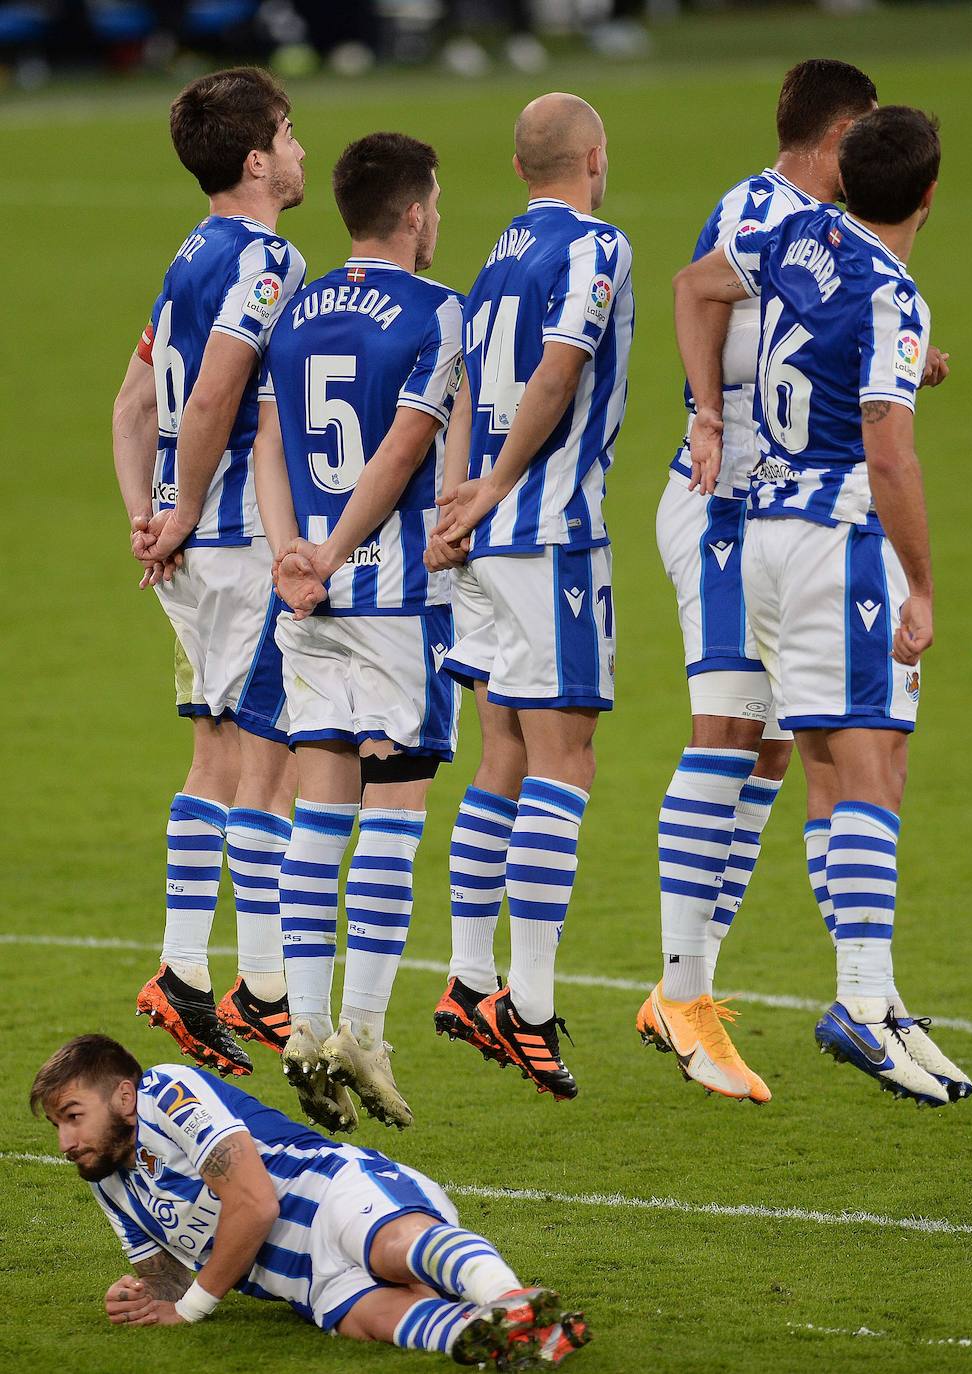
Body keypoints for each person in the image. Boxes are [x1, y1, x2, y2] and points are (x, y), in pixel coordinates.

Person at [672, 105, 972, 1105]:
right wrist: (921, 581)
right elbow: (889, 448)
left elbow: (701, 284)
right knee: (872, 759)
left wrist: (709, 412)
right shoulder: (895, 291)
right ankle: (860, 999)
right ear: (930, 195)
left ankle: (877, 1000)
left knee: (833, 763)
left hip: (761, 535)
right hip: (838, 544)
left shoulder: (802, 231)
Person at [643, 59, 878, 1104]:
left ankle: (686, 987)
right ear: (840, 133)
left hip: (770, 512)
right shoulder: (761, 207)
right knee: (728, 733)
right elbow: (694, 294)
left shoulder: (816, 225)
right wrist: (702, 412)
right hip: (725, 505)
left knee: (773, 750)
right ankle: (683, 996)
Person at [252, 133, 463, 1133]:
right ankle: (362, 1032)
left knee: (319, 804)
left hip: (302, 597)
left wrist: (294, 551)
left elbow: (268, 442)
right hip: (389, 595)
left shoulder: (293, 312)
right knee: (397, 809)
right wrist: (336, 551)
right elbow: (405, 447)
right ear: (416, 211)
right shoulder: (436, 311)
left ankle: (299, 1026)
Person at [428, 93, 634, 1102]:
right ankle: (533, 1003)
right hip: (549, 535)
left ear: (520, 168)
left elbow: (464, 384)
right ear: (594, 157)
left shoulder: (497, 256)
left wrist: (453, 504)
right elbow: (561, 371)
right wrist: (500, 486)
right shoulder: (597, 245)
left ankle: (469, 979)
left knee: (500, 751)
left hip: (479, 543)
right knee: (566, 759)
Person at [113, 67, 307, 1076]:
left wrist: (146, 518)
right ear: (256, 160)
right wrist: (185, 509)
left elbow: (131, 402)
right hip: (232, 544)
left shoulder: (189, 255)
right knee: (262, 764)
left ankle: (190, 972)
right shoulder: (268, 257)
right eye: (289, 132)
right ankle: (259, 984)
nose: (302, 150)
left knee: (215, 758)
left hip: (191, 555)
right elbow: (219, 388)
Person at [30, 1034, 590, 1366]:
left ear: (123, 1095)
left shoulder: (166, 1092)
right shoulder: (108, 1181)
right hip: (306, 1282)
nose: (66, 1142)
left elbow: (253, 1204)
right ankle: (513, 1340)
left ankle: (508, 1296)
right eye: (58, 1125)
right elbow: (170, 1275)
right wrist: (141, 1295)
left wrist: (189, 1311)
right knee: (373, 1319)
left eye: (74, 1117)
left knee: (394, 1247)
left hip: (333, 1194)